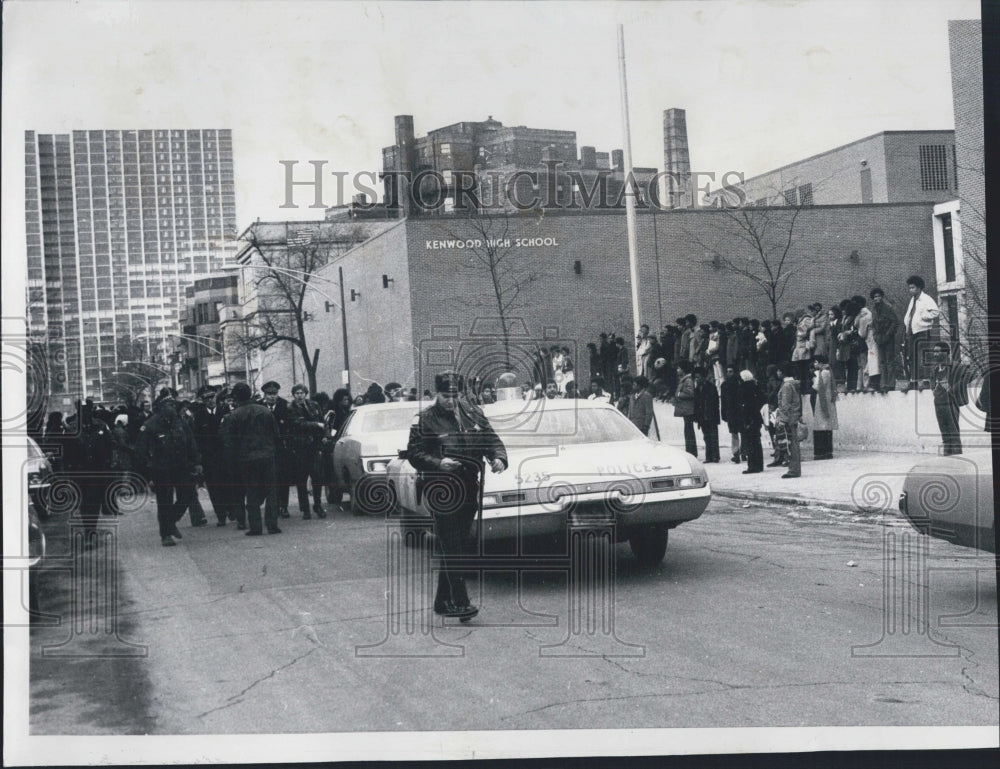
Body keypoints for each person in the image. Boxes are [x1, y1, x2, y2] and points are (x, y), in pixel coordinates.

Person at [406, 372, 507, 621]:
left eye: (454, 395)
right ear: (435, 394)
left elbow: (491, 439)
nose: (450, 400)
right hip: (442, 488)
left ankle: (442, 601)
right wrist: (439, 463)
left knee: (457, 544)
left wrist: (498, 457)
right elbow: (414, 454)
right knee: (452, 545)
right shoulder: (425, 420)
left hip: (469, 485)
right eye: (445, 396)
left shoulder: (473, 414)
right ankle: (460, 603)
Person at [135, 388, 202, 547]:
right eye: (169, 405)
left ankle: (170, 522)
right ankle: (166, 534)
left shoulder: (180, 422)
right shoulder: (150, 425)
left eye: (173, 404)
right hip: (161, 469)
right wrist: (147, 475)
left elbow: (191, 443)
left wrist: (197, 462)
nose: (173, 407)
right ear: (161, 408)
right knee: (164, 501)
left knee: (187, 495)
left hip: (182, 467)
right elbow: (140, 452)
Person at [221, 382, 282, 535]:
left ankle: (255, 527)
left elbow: (229, 442)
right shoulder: (265, 411)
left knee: (252, 492)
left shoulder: (233, 416)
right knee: (271, 492)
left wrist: (232, 462)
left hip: (246, 458)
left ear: (235, 397)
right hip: (267, 455)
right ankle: (272, 525)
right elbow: (276, 435)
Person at [64, 401, 114, 545]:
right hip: (80, 471)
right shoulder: (71, 428)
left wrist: (110, 462)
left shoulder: (101, 425)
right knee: (85, 503)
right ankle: (89, 533)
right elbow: (66, 452)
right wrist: (67, 472)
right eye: (83, 411)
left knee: (95, 501)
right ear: (78, 411)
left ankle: (91, 530)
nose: (86, 413)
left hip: (98, 470)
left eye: (88, 410)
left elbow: (110, 444)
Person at [191, 386, 230, 526]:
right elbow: (196, 439)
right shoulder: (199, 416)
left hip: (226, 456)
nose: (210, 401)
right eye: (206, 398)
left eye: (212, 397)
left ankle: (231, 510)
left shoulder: (225, 411)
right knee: (214, 487)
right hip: (209, 458)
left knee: (229, 484)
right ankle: (221, 515)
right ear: (202, 400)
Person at [288, 384, 328, 519]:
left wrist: (323, 435)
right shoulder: (291, 408)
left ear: (306, 394)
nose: (300, 395)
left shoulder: (314, 405)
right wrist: (316, 425)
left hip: (315, 446)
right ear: (293, 395)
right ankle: (305, 509)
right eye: (297, 393)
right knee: (301, 479)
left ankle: (318, 504)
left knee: (317, 477)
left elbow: (322, 421)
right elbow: (297, 424)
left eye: (302, 393)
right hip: (300, 448)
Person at [930, 341, 970, 456]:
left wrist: (953, 388)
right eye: (934, 352)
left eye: (938, 351)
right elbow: (932, 382)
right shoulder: (935, 369)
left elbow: (969, 375)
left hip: (951, 403)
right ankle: (947, 458)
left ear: (946, 353)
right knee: (945, 434)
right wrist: (933, 388)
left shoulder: (955, 366)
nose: (935, 354)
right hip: (938, 403)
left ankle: (957, 459)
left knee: (954, 434)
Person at [902, 275, 941, 390]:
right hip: (913, 332)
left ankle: (926, 381)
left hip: (923, 331)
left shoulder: (926, 299)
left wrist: (924, 317)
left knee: (923, 356)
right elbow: (910, 314)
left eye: (913, 288)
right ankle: (913, 381)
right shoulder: (913, 300)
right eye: (909, 288)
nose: (911, 290)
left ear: (919, 288)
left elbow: (935, 312)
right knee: (913, 357)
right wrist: (907, 324)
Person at [261, 381, 293, 519]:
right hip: (265, 448)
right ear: (265, 395)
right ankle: (272, 506)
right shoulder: (260, 407)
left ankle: (283, 506)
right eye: (269, 394)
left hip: (281, 448)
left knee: (283, 478)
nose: (272, 397)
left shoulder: (284, 406)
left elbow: (290, 426)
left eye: (274, 394)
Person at [324, 388, 353, 506]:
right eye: (344, 399)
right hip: (336, 440)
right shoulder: (334, 412)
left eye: (347, 399)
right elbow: (330, 427)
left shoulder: (349, 411)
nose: (346, 401)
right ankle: (333, 491)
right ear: (339, 400)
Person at [870, 287, 900, 392]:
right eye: (875, 297)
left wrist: (888, 334)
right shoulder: (874, 310)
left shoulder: (887, 308)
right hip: (879, 338)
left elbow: (895, 321)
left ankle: (891, 384)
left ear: (882, 297)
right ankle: (883, 384)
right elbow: (873, 324)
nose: (877, 298)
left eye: (878, 296)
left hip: (888, 338)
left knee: (890, 361)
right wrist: (875, 335)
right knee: (882, 361)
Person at [738, 370, 766, 474]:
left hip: (749, 418)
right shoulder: (755, 386)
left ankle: (752, 466)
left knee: (750, 442)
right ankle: (759, 465)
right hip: (756, 418)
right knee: (756, 442)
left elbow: (745, 405)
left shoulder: (744, 388)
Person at [775, 373, 803, 478]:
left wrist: (782, 420)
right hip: (794, 417)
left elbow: (785, 404)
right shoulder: (794, 385)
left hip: (789, 419)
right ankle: (795, 468)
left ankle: (793, 469)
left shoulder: (787, 386)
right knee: (794, 445)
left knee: (790, 445)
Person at [811, 355, 838, 459]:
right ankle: (827, 451)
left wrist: (813, 379)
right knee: (826, 426)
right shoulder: (828, 371)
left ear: (821, 363)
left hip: (823, 400)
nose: (815, 364)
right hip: (827, 400)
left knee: (821, 426)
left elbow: (817, 387)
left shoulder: (824, 372)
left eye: (816, 362)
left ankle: (821, 452)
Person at [692, 367, 720, 462]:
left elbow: (715, 403)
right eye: (695, 377)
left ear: (703, 377)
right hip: (702, 416)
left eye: (698, 377)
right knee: (706, 437)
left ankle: (715, 456)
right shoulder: (697, 389)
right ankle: (709, 456)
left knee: (713, 436)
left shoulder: (711, 387)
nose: (696, 379)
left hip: (710, 415)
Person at [719, 364, 743, 463]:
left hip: (739, 411)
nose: (729, 373)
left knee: (743, 432)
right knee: (734, 433)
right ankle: (736, 453)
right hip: (731, 412)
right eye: (727, 371)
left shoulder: (739, 383)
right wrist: (723, 412)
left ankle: (743, 452)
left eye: (731, 371)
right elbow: (723, 401)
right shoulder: (724, 385)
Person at [673, 360, 697, 457]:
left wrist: (679, 394)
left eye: (679, 368)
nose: (677, 370)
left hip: (688, 409)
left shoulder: (687, 380)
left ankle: (691, 451)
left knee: (688, 431)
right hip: (686, 409)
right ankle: (690, 450)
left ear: (683, 369)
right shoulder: (685, 379)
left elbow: (690, 393)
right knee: (688, 430)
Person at [853, 295, 875, 392]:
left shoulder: (864, 315)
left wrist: (855, 331)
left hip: (866, 342)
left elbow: (862, 333)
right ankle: (860, 385)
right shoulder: (860, 314)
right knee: (862, 364)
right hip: (863, 342)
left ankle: (866, 384)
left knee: (865, 363)